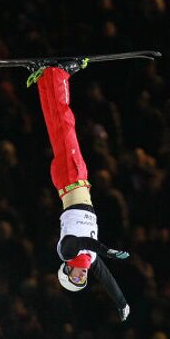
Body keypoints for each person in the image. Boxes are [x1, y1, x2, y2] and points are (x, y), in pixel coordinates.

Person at [34, 62, 131, 321]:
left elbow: (85, 242)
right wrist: (121, 303)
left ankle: (58, 74)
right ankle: (45, 79)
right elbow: (107, 278)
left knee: (65, 126)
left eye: (75, 278)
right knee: (57, 129)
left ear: (67, 269)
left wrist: (107, 250)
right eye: (82, 281)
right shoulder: (88, 260)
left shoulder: (67, 252)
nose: (82, 277)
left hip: (71, 179)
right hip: (73, 181)